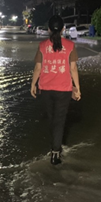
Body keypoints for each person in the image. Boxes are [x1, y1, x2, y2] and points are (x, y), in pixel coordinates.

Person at [30, 15, 81, 165]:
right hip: (63, 90)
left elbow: (38, 67)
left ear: (49, 29)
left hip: (45, 89)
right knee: (59, 121)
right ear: (64, 29)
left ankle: (54, 146)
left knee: (52, 120)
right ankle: (55, 152)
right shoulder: (70, 45)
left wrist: (33, 84)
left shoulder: (42, 45)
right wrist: (77, 88)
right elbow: (73, 68)